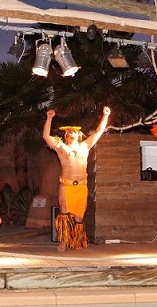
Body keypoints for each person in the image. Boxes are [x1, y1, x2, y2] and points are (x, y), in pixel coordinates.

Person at [43, 106, 111, 251]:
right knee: (64, 214)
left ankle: (76, 241)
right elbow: (46, 137)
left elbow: (98, 132)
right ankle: (63, 241)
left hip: (81, 186)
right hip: (66, 186)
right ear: (66, 135)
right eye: (69, 131)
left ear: (79, 134)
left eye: (74, 130)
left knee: (79, 217)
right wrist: (49, 118)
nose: (71, 131)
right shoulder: (61, 147)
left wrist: (105, 115)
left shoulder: (85, 146)